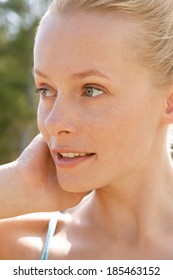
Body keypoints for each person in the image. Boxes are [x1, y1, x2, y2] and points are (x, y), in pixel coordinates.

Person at [0, 0, 173, 259]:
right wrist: (13, 188)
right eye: (46, 90)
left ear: (169, 102)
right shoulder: (17, 247)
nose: (53, 122)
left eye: (90, 90)